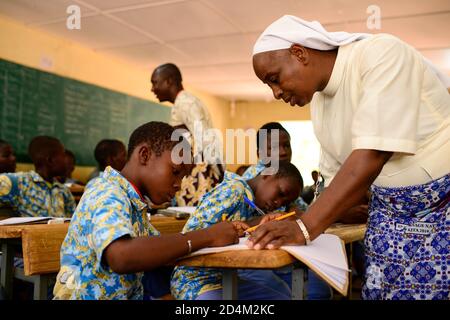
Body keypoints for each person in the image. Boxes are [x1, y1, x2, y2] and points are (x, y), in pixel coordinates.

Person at [249, 15, 450, 300]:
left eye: (274, 79)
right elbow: (332, 182)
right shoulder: (319, 106)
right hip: (387, 222)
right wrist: (299, 217)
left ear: (299, 53)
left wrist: (305, 227)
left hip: (441, 210)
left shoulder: (380, 53)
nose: (276, 92)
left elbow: (373, 153)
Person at [53, 122, 240, 300]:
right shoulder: (106, 191)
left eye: (183, 178)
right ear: (144, 155)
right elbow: (121, 256)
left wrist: (217, 234)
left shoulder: (136, 204)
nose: (178, 185)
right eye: (175, 172)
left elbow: (160, 252)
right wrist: (207, 236)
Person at [170, 162, 302, 300]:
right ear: (267, 174)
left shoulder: (254, 204)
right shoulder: (234, 190)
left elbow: (237, 228)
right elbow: (191, 234)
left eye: (284, 202)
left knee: (283, 297)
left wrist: (259, 224)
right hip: (193, 280)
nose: (278, 203)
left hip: (225, 278)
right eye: (280, 193)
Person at [242, 122, 331, 299]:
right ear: (260, 153)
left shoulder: (287, 179)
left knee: (319, 289)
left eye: (286, 145)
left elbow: (304, 214)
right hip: (255, 259)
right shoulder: (251, 181)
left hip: (284, 256)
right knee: (313, 292)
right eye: (274, 147)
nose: (283, 152)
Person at [151, 63, 224, 207]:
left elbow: (204, 138)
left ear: (169, 81)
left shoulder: (187, 103)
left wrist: (219, 176)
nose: (153, 89)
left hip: (198, 176)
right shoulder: (182, 103)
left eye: (155, 83)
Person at [0, 136, 76, 218]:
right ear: (50, 160)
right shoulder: (20, 182)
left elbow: (73, 222)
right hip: (28, 230)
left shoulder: (64, 191)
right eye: (63, 155)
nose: (67, 160)